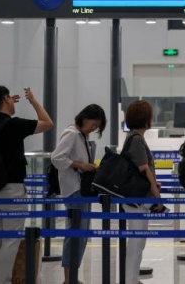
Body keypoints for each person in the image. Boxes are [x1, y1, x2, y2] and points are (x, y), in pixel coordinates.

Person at [0, 86, 53, 284]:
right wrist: (33, 101)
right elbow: (48, 123)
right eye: (9, 99)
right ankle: (3, 281)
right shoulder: (15, 125)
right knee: (11, 239)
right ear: (6, 99)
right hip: (12, 189)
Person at [51, 103, 106, 284]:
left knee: (81, 234)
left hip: (81, 189)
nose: (94, 128)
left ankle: (72, 276)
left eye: (97, 127)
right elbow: (57, 157)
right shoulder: (72, 133)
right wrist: (81, 165)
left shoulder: (81, 135)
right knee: (75, 233)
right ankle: (69, 279)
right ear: (85, 118)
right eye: (93, 124)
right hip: (74, 190)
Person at [123, 100, 165, 284]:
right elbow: (144, 169)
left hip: (136, 197)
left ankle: (132, 278)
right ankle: (130, 279)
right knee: (136, 241)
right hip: (137, 199)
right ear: (145, 119)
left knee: (138, 240)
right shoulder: (137, 140)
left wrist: (155, 185)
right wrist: (157, 195)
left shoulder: (133, 138)